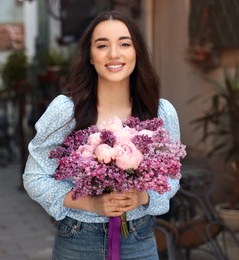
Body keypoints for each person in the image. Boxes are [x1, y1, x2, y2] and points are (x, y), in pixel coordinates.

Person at [23, 10, 181, 260]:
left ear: (136, 52)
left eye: (124, 44)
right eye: (102, 45)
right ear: (90, 56)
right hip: (78, 239)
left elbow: (172, 177)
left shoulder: (161, 112)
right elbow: (35, 177)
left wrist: (141, 196)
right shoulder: (66, 111)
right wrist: (90, 204)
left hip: (139, 240)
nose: (114, 54)